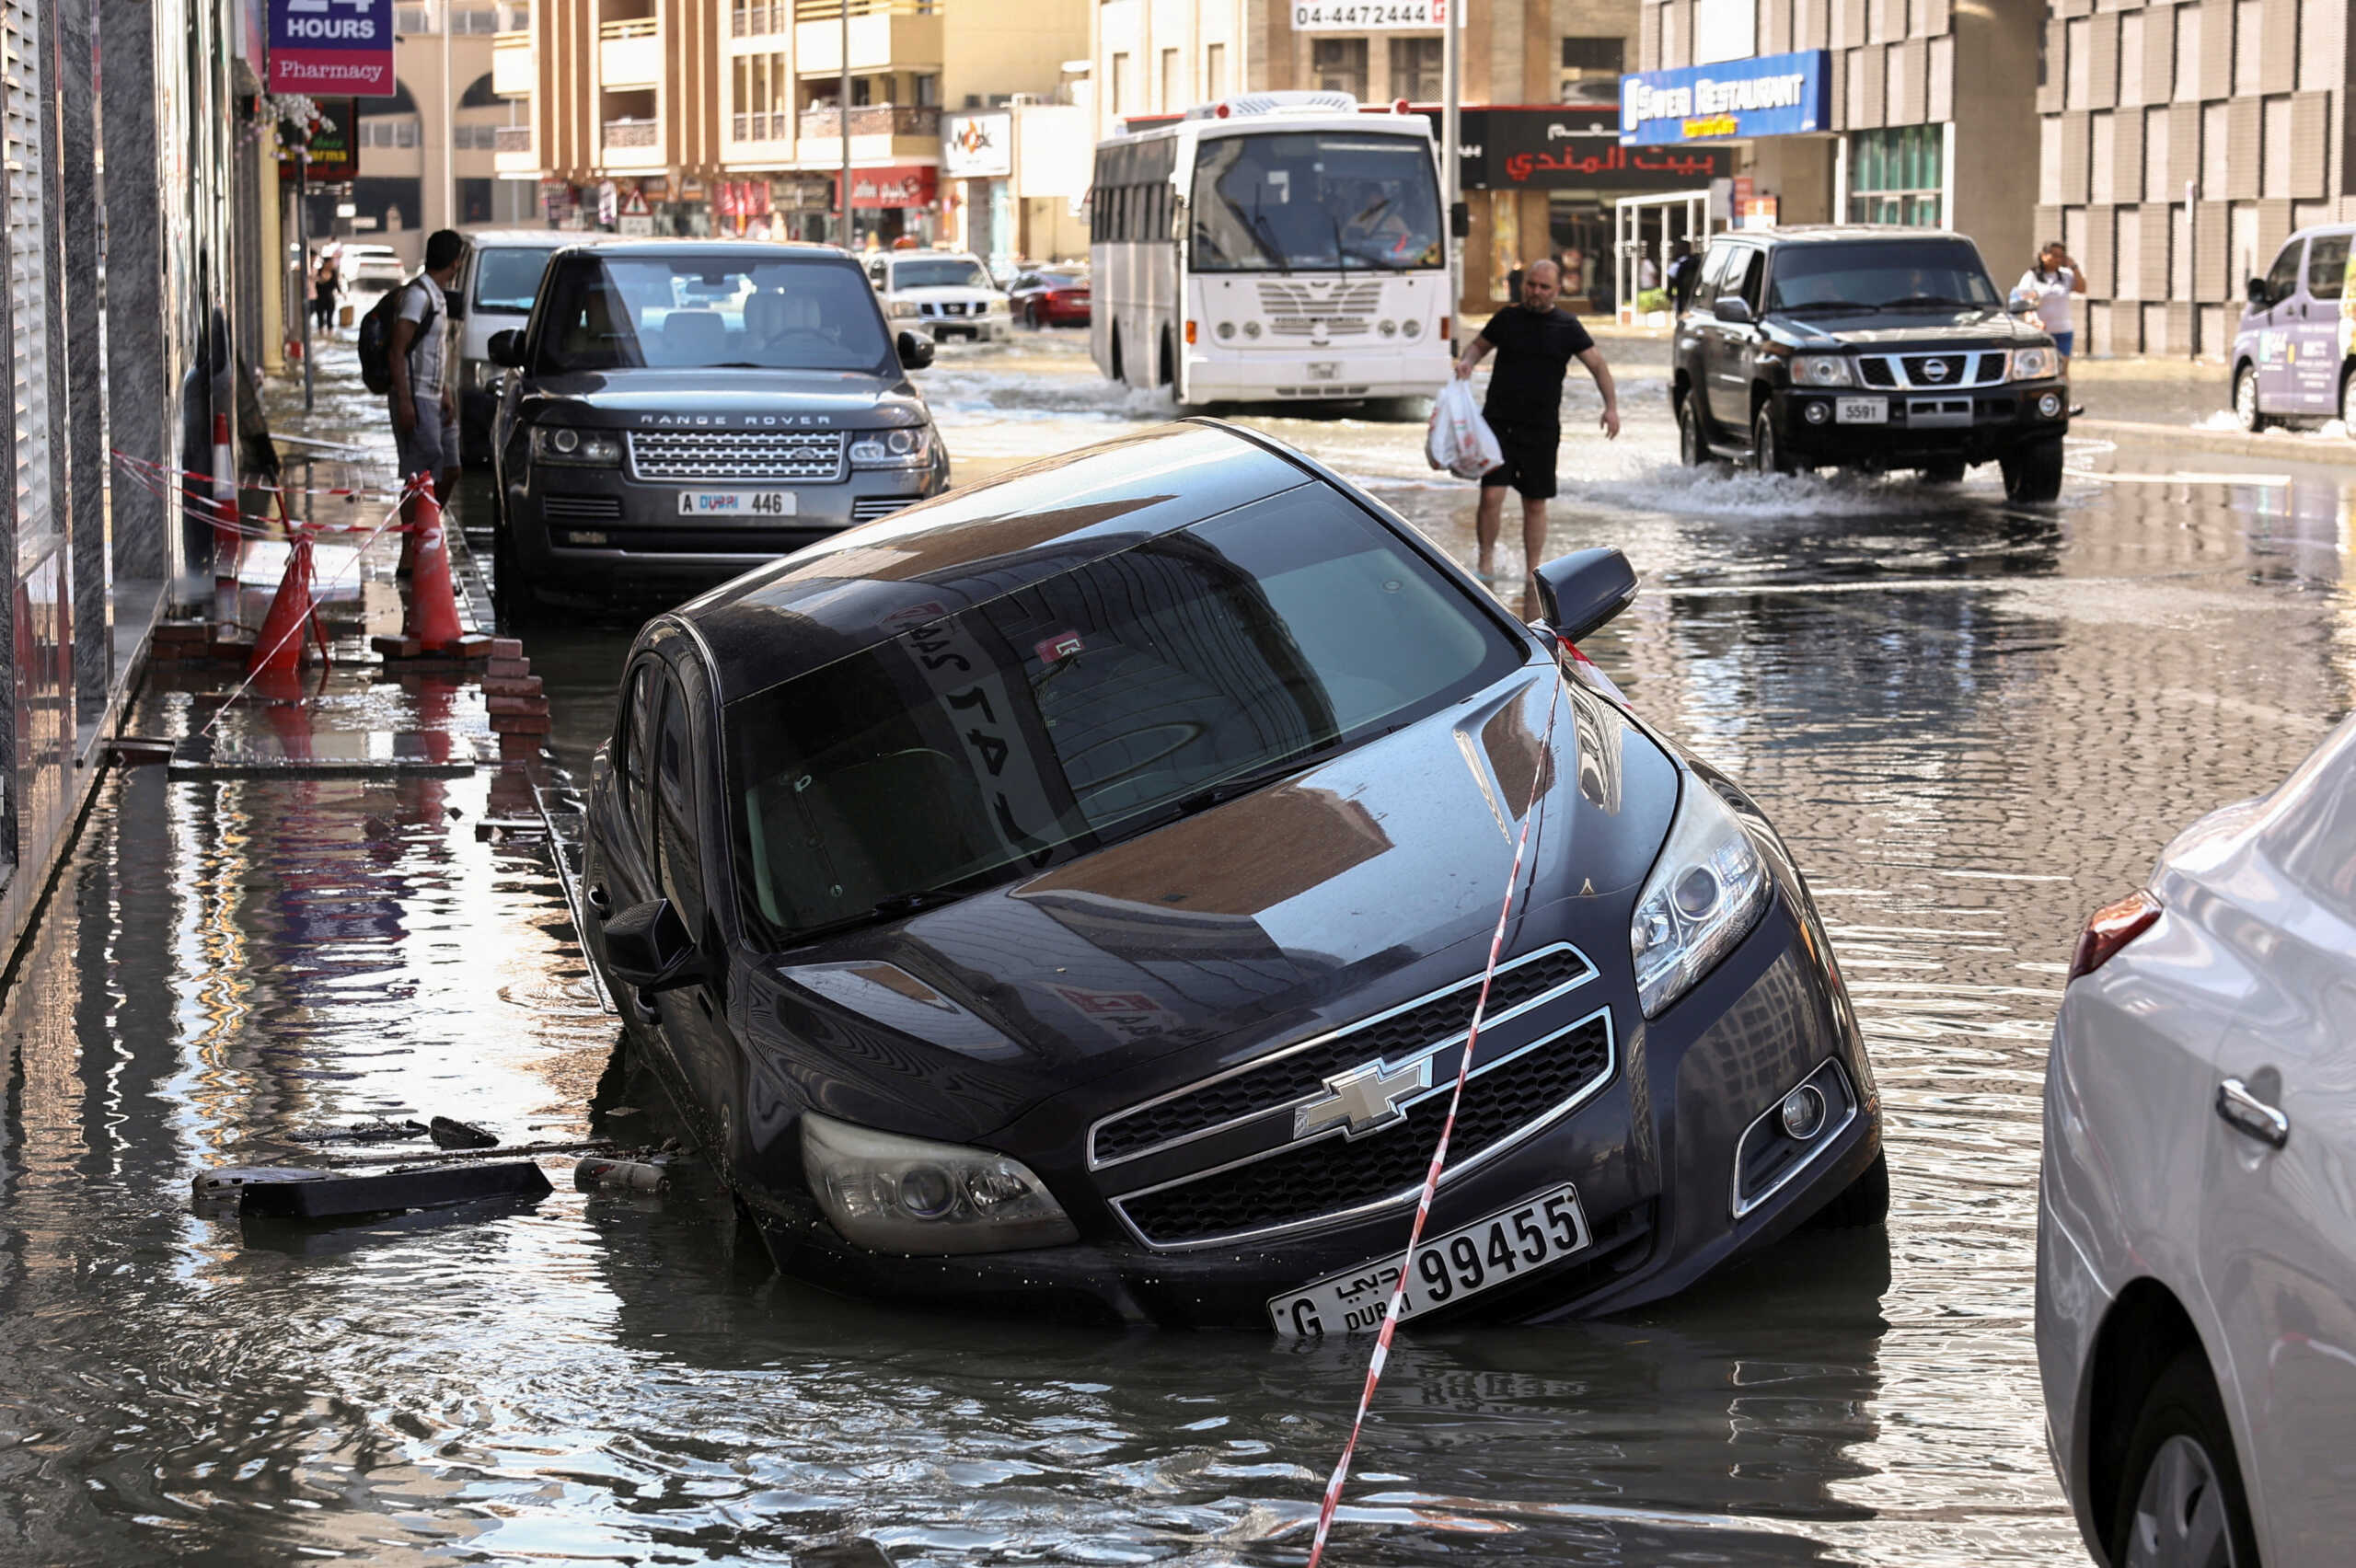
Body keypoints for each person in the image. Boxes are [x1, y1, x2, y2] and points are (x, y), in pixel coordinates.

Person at [1453, 258, 1620, 589]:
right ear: (1523, 285)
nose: (1536, 292)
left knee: (1534, 502)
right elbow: (1477, 348)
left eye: (1544, 287)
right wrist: (1466, 364)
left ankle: (1532, 572)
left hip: (1541, 428)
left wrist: (1611, 407)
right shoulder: (1507, 318)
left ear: (1557, 290)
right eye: (1532, 285)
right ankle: (1485, 562)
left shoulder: (1568, 326)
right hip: (1497, 424)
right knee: (1490, 496)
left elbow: (1598, 366)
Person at [388, 229, 466, 531]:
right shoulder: (418, 296)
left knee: (451, 468)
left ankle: (426, 527)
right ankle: (412, 547)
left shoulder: (437, 296)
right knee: (419, 475)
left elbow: (433, 351)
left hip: (434, 396)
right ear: (455, 262)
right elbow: (397, 351)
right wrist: (406, 402)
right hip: (415, 396)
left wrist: (444, 391)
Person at [2015, 240, 2085, 363]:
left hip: (2063, 330)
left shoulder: (2066, 275)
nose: (2057, 259)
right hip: (2041, 331)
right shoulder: (2031, 276)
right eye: (2054, 255)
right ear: (2043, 256)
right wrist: (2032, 319)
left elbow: (2082, 289)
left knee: (2063, 367)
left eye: (2060, 256)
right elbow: (2024, 302)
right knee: (2042, 367)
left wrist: (2074, 267)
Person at [310, 248, 341, 333]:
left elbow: (336, 284)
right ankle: (321, 334)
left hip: (330, 299)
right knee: (320, 319)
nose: (332, 265)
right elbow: (313, 283)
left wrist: (341, 292)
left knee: (330, 320)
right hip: (319, 299)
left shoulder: (334, 272)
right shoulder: (318, 272)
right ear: (326, 263)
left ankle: (329, 336)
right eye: (331, 263)